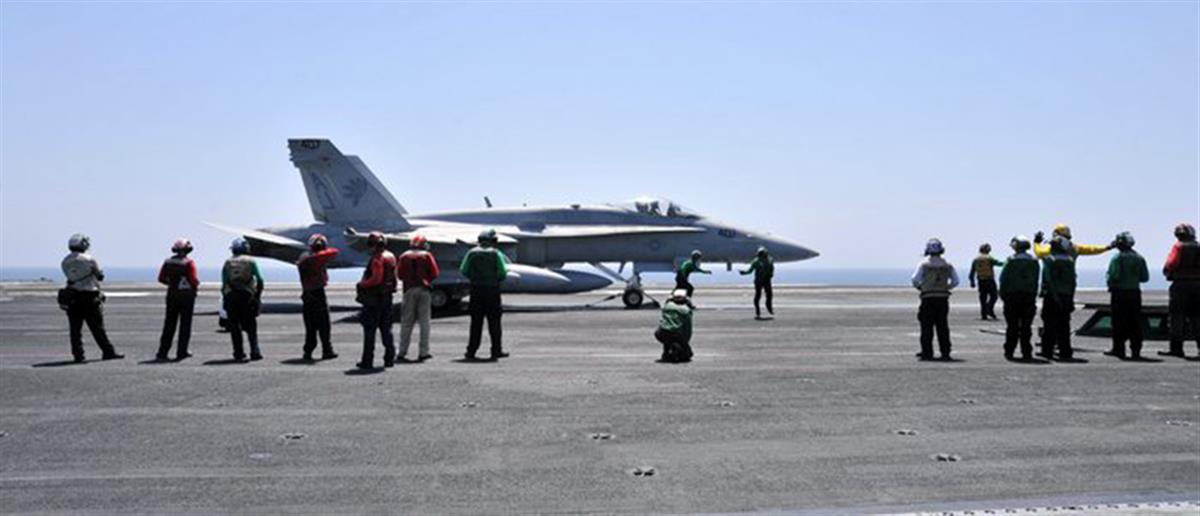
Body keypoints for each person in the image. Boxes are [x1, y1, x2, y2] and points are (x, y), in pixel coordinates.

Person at [60, 233, 123, 362]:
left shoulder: (65, 261)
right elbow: (99, 276)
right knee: (97, 328)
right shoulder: (89, 259)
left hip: (73, 296)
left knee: (75, 329)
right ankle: (108, 351)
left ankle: (78, 355)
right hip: (89, 296)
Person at [461, 228, 508, 361]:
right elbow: (503, 273)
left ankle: (471, 351)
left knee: (476, 323)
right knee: (494, 323)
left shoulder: (471, 253)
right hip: (492, 291)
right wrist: (494, 280)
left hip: (476, 291)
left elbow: (464, 270)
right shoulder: (496, 253)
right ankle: (496, 350)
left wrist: (474, 278)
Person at [911, 238, 959, 361]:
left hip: (928, 298)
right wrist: (946, 287)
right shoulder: (947, 265)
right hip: (942, 298)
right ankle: (945, 352)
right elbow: (956, 281)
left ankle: (927, 352)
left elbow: (915, 280)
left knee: (926, 326)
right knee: (942, 326)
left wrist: (921, 287)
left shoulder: (924, 264)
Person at [1104, 232, 1149, 359]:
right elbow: (1145, 277)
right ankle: (1136, 350)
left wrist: (1110, 281)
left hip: (1119, 293)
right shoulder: (1139, 258)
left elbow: (1114, 275)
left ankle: (1118, 349)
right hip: (1135, 293)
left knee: (1118, 322)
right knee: (1135, 322)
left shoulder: (1117, 258)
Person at [356, 231, 397, 369]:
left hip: (374, 299)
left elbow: (376, 279)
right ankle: (389, 358)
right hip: (387, 298)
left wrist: (362, 284)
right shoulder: (391, 256)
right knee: (386, 329)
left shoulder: (377, 259)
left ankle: (367, 361)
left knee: (370, 331)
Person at [396, 234, 440, 362]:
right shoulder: (427, 255)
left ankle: (402, 352)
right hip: (424, 290)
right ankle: (423, 352)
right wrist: (426, 279)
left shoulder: (404, 256)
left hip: (409, 290)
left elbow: (399, 275)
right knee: (424, 323)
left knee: (406, 323)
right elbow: (435, 273)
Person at [297, 233, 339, 362]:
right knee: (323, 324)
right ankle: (327, 350)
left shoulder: (304, 257)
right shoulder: (313, 258)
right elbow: (334, 252)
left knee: (310, 326)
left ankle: (308, 351)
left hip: (307, 294)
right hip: (316, 293)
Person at [156, 238, 200, 361]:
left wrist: (172, 284)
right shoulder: (189, 263)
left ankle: (162, 352)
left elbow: (161, 278)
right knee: (185, 325)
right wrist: (195, 286)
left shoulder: (168, 262)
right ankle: (182, 351)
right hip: (186, 296)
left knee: (169, 324)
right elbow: (193, 279)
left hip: (172, 295)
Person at [222, 238, 264, 362]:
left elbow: (224, 283)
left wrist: (225, 297)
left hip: (231, 296)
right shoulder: (251, 261)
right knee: (251, 326)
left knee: (234, 327)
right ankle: (255, 351)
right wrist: (257, 295)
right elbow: (260, 279)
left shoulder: (227, 262)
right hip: (247, 296)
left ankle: (238, 353)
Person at [1161, 223, 1200, 358]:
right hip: (1198, 285)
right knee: (1197, 318)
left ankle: (1176, 349)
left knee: (1177, 318)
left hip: (1180, 285)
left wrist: (1167, 272)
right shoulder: (1198, 247)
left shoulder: (1179, 247)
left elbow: (1171, 264)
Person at [998, 235, 1039, 361]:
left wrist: (1002, 294)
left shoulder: (1010, 261)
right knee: (1026, 326)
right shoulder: (1034, 261)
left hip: (1012, 297)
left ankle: (1009, 351)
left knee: (1012, 326)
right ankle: (1026, 352)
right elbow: (1036, 279)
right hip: (1028, 297)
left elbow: (1003, 279)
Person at [1039, 237, 1077, 360]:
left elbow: (1048, 280)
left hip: (1052, 296)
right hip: (1066, 296)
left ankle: (1047, 351)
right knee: (1064, 325)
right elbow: (1073, 282)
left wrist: (1053, 296)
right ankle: (1065, 351)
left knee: (1049, 324)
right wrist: (1070, 298)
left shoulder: (1049, 260)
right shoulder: (1070, 260)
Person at [655, 289, 695, 363]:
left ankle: (666, 353)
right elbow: (687, 328)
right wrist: (685, 342)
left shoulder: (667, 306)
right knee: (687, 354)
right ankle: (675, 351)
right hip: (675, 334)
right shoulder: (686, 310)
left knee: (668, 340)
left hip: (661, 332)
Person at [1033, 223, 1113, 260]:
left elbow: (1039, 252)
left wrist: (1036, 242)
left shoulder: (1049, 249)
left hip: (1051, 284)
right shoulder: (1075, 248)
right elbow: (1092, 249)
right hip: (1069, 283)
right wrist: (1107, 247)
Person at [968, 244, 1003, 320]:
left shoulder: (976, 260)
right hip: (989, 280)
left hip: (981, 280)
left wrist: (972, 281)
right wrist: (1008, 262)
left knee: (983, 298)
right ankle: (989, 308)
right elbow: (999, 263)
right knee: (994, 296)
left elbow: (972, 272)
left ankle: (984, 314)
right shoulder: (989, 258)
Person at [740, 246, 775, 319]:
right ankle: (758, 311)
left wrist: (771, 274)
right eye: (761, 253)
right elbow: (750, 270)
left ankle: (769, 307)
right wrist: (744, 272)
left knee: (769, 295)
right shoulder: (756, 261)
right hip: (759, 281)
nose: (763, 255)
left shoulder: (769, 259)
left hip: (766, 280)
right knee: (758, 296)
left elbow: (772, 268)